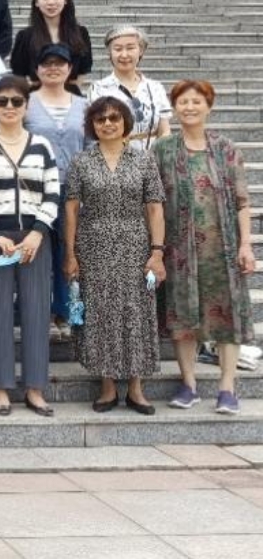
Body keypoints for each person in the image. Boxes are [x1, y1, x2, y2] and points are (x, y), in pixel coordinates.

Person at [153, 80, 255, 415]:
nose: (190, 107)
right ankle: (189, 384)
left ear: (209, 106)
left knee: (227, 316)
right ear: (174, 108)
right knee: (183, 316)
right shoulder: (163, 150)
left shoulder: (226, 149)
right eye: (183, 102)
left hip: (222, 250)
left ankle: (227, 387)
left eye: (197, 101)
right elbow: (152, 203)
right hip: (179, 251)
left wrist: (246, 244)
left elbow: (242, 202)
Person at [63, 95, 166, 416]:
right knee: (101, 312)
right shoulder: (81, 161)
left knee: (136, 312)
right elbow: (71, 210)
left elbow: (155, 208)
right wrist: (70, 253)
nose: (108, 124)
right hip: (93, 246)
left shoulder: (144, 160)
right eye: (101, 119)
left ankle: (136, 388)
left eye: (114, 118)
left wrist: (157, 252)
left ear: (125, 122)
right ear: (92, 125)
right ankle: (107, 386)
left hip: (135, 246)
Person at [0, 75, 61, 417]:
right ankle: (0, 386)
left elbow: (52, 192)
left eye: (16, 101)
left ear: (26, 105)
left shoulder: (42, 145)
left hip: (35, 238)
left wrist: (38, 232)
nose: (9, 107)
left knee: (37, 311)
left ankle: (35, 388)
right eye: (2, 101)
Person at [25, 44, 88, 336]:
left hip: (73, 188)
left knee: (70, 249)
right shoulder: (26, 102)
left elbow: (90, 146)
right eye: (47, 63)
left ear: (69, 68)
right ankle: (41, 311)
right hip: (34, 188)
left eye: (59, 63)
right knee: (38, 250)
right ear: (37, 69)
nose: (53, 68)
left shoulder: (83, 105)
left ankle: (67, 312)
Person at [87, 25, 171, 151]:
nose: (124, 55)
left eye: (130, 48)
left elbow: (165, 131)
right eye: (118, 49)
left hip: (153, 158)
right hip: (113, 158)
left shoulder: (155, 88)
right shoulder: (98, 89)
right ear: (109, 53)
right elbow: (93, 132)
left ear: (141, 50)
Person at [10, 0, 92, 85]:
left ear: (65, 0)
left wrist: (67, 92)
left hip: (70, 92)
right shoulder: (25, 36)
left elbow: (84, 69)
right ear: (36, 2)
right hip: (36, 93)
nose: (51, 2)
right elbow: (19, 72)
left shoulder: (80, 33)